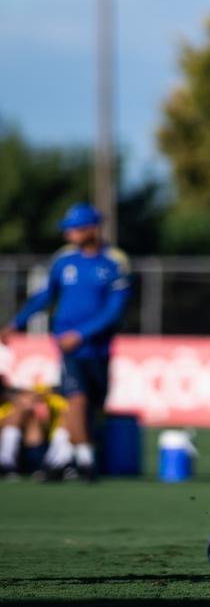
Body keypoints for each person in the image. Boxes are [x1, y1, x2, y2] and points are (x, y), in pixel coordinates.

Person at [1, 203, 131, 481]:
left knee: (92, 406)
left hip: (98, 348)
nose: (70, 234)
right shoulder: (64, 262)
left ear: (93, 229)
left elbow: (115, 310)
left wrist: (82, 334)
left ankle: (60, 458)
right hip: (68, 347)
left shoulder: (114, 264)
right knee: (77, 399)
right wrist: (17, 323)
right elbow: (44, 296)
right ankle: (85, 463)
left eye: (76, 229)